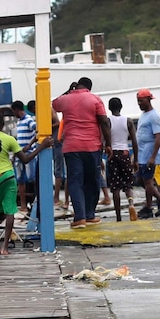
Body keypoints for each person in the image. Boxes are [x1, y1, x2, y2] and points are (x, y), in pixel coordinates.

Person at [0, 110, 51, 255]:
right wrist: (41, 147)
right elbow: (25, 159)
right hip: (9, 177)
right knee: (10, 210)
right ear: (3, 124)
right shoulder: (9, 139)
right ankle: (5, 248)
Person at [51, 77, 111, 229]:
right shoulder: (95, 99)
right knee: (93, 180)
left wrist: (69, 90)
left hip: (72, 148)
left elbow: (54, 104)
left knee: (75, 182)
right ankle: (90, 215)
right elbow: (104, 121)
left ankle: (80, 218)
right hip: (92, 146)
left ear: (77, 86)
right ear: (89, 88)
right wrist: (108, 144)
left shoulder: (66, 99)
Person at [135, 89, 160, 218]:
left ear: (149, 100)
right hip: (141, 154)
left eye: (142, 101)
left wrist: (153, 156)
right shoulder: (143, 115)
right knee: (142, 180)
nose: (139, 103)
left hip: (149, 154)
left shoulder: (154, 116)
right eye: (138, 101)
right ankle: (150, 206)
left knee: (148, 181)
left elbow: (158, 137)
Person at [105, 97, 138, 222]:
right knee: (128, 185)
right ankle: (131, 204)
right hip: (125, 153)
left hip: (113, 154)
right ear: (121, 107)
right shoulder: (128, 121)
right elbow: (134, 141)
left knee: (116, 187)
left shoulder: (108, 121)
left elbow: (105, 139)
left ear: (109, 108)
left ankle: (118, 216)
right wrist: (136, 159)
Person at [11, 100, 37, 214]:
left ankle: (34, 203)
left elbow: (38, 131)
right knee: (20, 181)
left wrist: (30, 145)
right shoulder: (19, 122)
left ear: (17, 110)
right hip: (19, 155)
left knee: (31, 179)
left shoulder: (28, 120)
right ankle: (23, 206)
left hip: (28, 153)